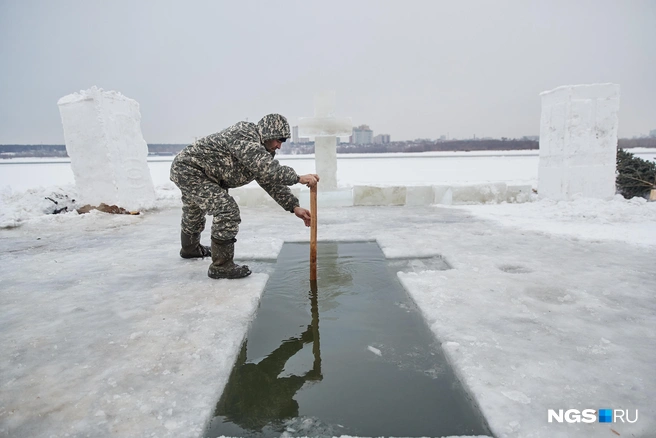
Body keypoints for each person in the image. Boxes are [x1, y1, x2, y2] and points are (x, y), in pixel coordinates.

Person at [170, 113, 319, 279]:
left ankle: (190, 249)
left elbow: (269, 180)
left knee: (194, 210)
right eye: (279, 139)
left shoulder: (264, 149)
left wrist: (293, 206)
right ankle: (222, 266)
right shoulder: (244, 134)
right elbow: (268, 169)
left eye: (283, 141)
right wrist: (298, 178)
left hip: (206, 175)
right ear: (268, 133)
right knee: (226, 210)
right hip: (190, 170)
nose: (279, 146)